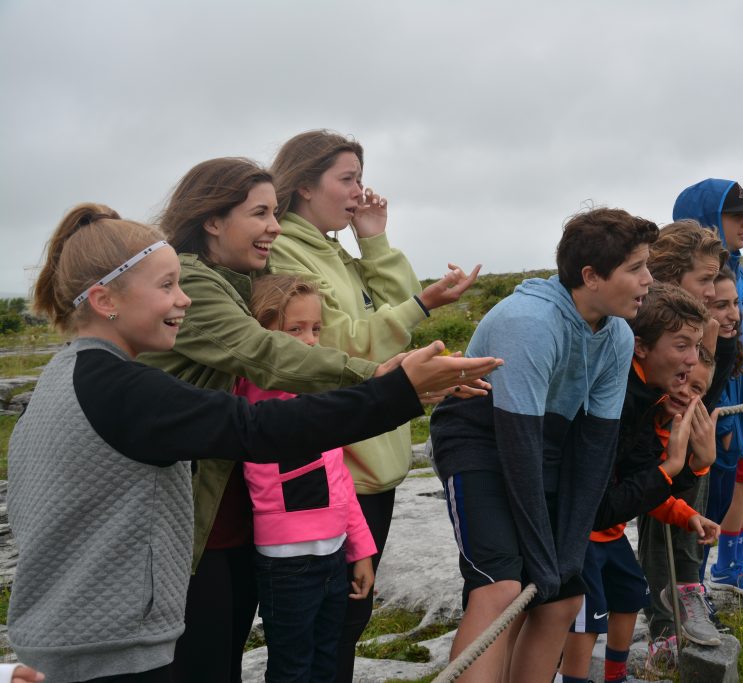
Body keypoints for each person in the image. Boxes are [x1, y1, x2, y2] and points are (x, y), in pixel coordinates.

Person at [6, 204, 500, 683]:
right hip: (108, 652)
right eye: (167, 285)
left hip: (68, 637)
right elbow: (260, 429)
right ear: (104, 300)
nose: (185, 299)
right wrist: (395, 392)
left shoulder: (65, 377)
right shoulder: (121, 389)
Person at [138, 157, 493, 683]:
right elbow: (268, 353)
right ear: (213, 219)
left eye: (276, 213)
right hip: (188, 511)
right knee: (210, 658)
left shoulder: (237, 280)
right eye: (260, 213)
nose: (274, 227)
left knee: (231, 651)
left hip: (231, 507)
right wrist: (384, 378)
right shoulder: (195, 281)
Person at [268, 130, 480, 678]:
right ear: (305, 186)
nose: (360, 191)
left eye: (360, 178)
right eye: (347, 179)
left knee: (345, 622)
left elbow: (401, 304)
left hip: (371, 464)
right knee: (327, 630)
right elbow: (338, 345)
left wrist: (375, 241)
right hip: (342, 466)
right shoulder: (288, 252)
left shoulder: (330, 247)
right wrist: (421, 304)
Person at [429, 207, 658, 681]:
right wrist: (540, 554)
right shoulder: (530, 321)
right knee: (501, 587)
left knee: (564, 598)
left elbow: (594, 450)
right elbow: (517, 448)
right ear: (592, 276)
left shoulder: (616, 335)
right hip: (480, 439)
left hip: (544, 444)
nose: (649, 280)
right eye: (636, 268)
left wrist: (569, 551)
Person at [559, 284, 720, 683]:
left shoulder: (648, 399)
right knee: (587, 618)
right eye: (682, 347)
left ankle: (615, 675)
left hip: (607, 532)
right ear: (641, 347)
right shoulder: (621, 397)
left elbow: (644, 486)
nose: (689, 365)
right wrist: (676, 464)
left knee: (631, 593)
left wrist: (696, 472)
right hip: (580, 535)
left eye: (697, 350)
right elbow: (616, 496)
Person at [237, 274, 379, 682]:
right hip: (286, 561)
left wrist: (360, 548)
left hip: (333, 553)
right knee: (292, 668)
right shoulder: (257, 390)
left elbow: (339, 476)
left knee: (325, 660)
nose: (311, 340)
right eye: (294, 330)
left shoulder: (315, 395)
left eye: (316, 329)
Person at [640, 222, 743, 648]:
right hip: (647, 435)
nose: (710, 290)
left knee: (685, 511)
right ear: (671, 275)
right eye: (704, 280)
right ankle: (666, 623)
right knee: (658, 515)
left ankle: (685, 600)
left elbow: (702, 393)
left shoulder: (707, 326)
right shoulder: (651, 319)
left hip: (682, 432)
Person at [672, 179, 743, 598]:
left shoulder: (736, 272)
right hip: (719, 416)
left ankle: (724, 566)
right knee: (703, 507)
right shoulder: (700, 284)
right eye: (737, 215)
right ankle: (690, 592)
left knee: (735, 491)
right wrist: (727, 413)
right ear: (709, 219)